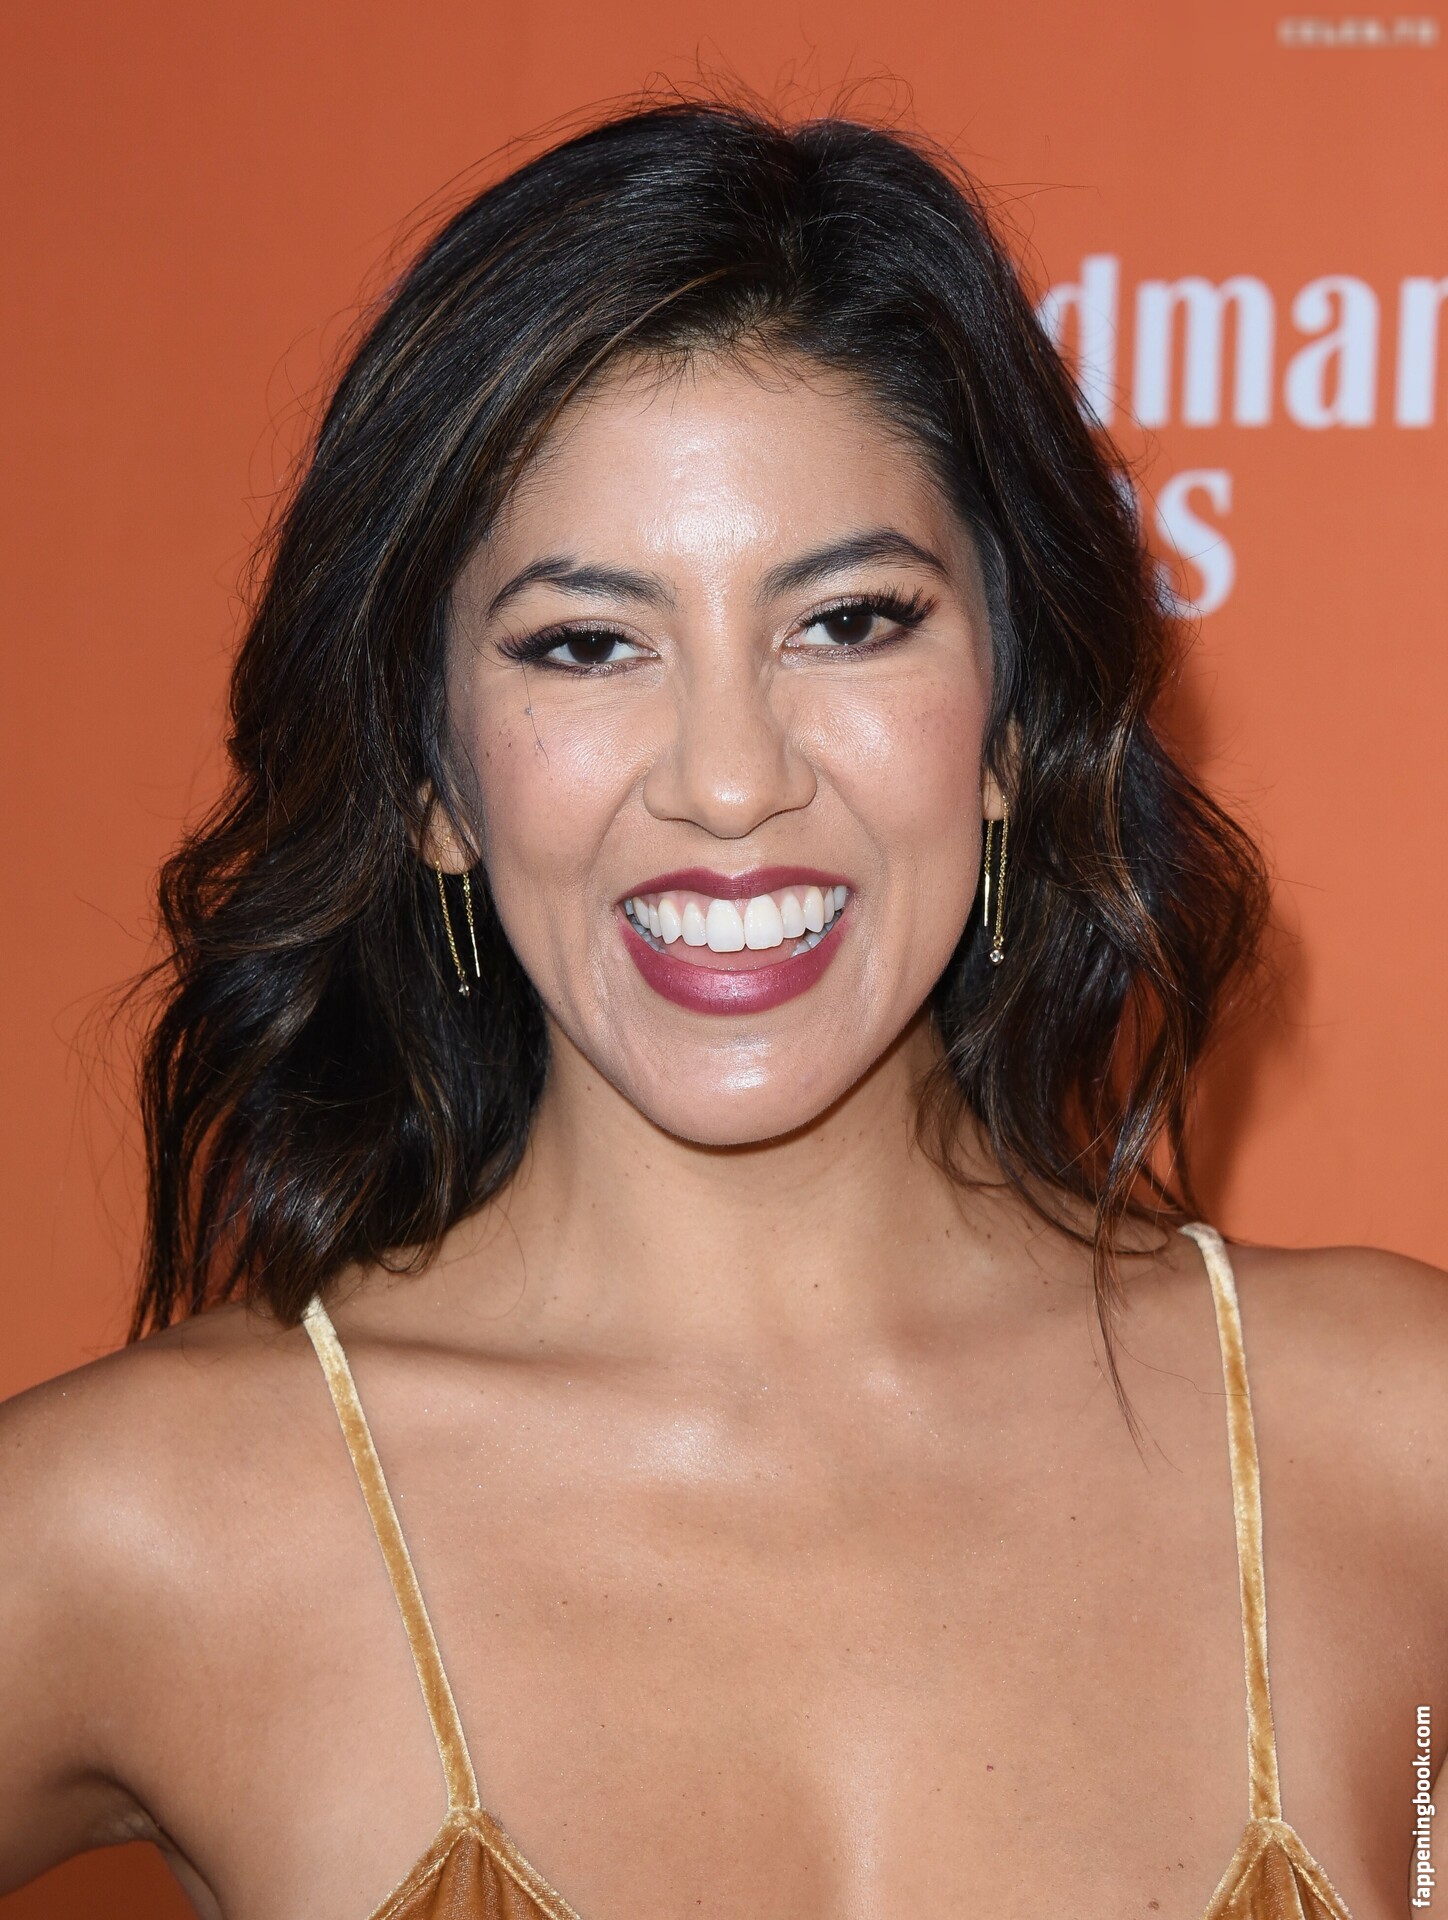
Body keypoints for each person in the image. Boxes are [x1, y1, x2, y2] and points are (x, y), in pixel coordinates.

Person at [0, 98, 1442, 1920]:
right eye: (587, 644)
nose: (733, 779)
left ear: (1013, 724)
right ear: (434, 779)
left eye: (848, 621)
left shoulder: (1391, 1442)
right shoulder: (145, 1527)